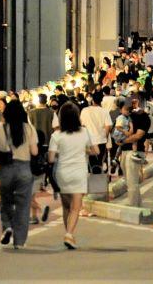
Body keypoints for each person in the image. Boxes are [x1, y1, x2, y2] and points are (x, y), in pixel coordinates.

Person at [48, 102, 100, 249]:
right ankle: (69, 234)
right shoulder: (84, 132)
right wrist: (84, 151)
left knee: (66, 207)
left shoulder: (56, 135)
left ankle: (68, 233)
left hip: (62, 173)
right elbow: (96, 150)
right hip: (79, 172)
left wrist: (61, 152)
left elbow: (51, 159)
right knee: (75, 208)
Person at [0, 101, 38, 249]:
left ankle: (7, 227)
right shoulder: (29, 129)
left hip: (6, 169)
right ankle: (19, 242)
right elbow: (35, 152)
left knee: (5, 202)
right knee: (23, 206)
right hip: (24, 169)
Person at [80, 91, 112, 171]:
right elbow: (108, 126)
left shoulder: (85, 110)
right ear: (101, 101)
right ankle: (100, 179)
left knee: (91, 163)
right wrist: (106, 137)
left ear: (92, 100)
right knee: (100, 162)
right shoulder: (104, 111)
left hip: (89, 141)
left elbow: (82, 126)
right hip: (101, 140)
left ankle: (93, 180)